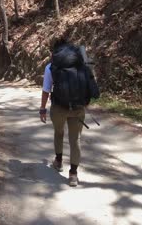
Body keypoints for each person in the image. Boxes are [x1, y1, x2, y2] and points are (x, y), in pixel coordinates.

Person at [39, 39, 97, 187]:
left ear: (55, 52)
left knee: (59, 133)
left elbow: (46, 90)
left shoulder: (51, 67)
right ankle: (73, 174)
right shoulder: (81, 64)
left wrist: (42, 108)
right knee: (75, 140)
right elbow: (89, 83)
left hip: (58, 107)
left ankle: (58, 162)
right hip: (78, 108)